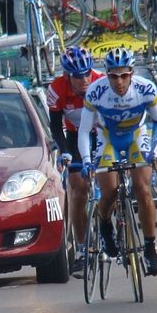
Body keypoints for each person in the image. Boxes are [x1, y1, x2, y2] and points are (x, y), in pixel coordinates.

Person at [77, 47, 157, 276]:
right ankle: (106, 227)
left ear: (132, 73)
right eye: (114, 76)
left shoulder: (145, 88)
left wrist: (154, 152)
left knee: (143, 189)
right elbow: (85, 130)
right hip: (108, 140)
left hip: (136, 137)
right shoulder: (96, 92)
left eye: (124, 75)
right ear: (106, 74)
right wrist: (87, 161)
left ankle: (150, 249)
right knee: (109, 191)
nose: (119, 81)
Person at [47, 46, 104, 278]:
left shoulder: (102, 83)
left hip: (102, 134)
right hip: (74, 136)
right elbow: (55, 126)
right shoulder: (57, 89)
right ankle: (83, 250)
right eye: (78, 76)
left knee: (110, 177)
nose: (84, 80)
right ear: (67, 76)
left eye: (87, 73)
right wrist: (63, 152)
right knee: (77, 189)